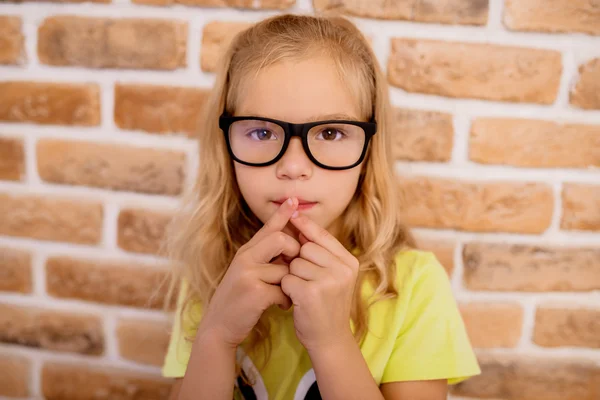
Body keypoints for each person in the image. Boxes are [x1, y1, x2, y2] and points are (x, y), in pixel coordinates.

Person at [159, 12, 481, 400]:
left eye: (330, 132)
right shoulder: (210, 271)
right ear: (225, 143)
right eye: (261, 131)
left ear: (368, 149)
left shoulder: (412, 286)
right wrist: (216, 335)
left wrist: (331, 342)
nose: (293, 167)